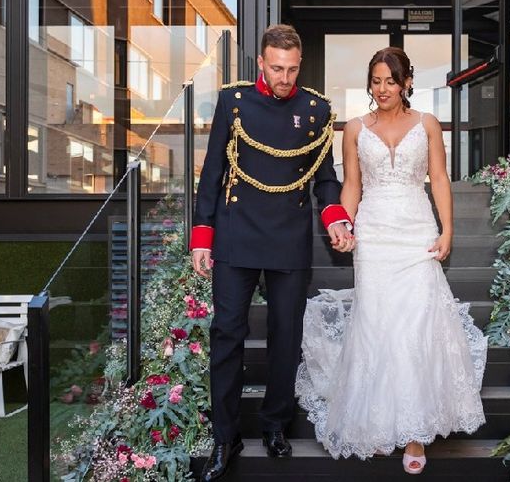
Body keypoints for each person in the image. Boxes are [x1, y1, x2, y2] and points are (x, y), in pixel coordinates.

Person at [295, 47, 487, 475]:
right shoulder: (354, 129)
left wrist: (447, 230)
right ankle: (378, 423)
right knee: (378, 324)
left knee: (415, 324)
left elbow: (438, 178)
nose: (382, 89)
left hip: (416, 231)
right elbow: (352, 186)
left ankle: (416, 432)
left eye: (390, 81)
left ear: (406, 84)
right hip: (375, 235)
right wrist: (343, 225)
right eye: (376, 80)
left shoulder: (428, 125)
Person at [190, 24, 353, 482]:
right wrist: (203, 236)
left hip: (288, 237)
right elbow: (213, 172)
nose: (285, 78)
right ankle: (226, 436)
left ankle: (276, 425)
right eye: (277, 68)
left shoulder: (316, 110)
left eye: (293, 69)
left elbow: (324, 179)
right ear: (261, 63)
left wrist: (335, 216)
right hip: (236, 233)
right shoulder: (233, 102)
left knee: (286, 337)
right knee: (226, 334)